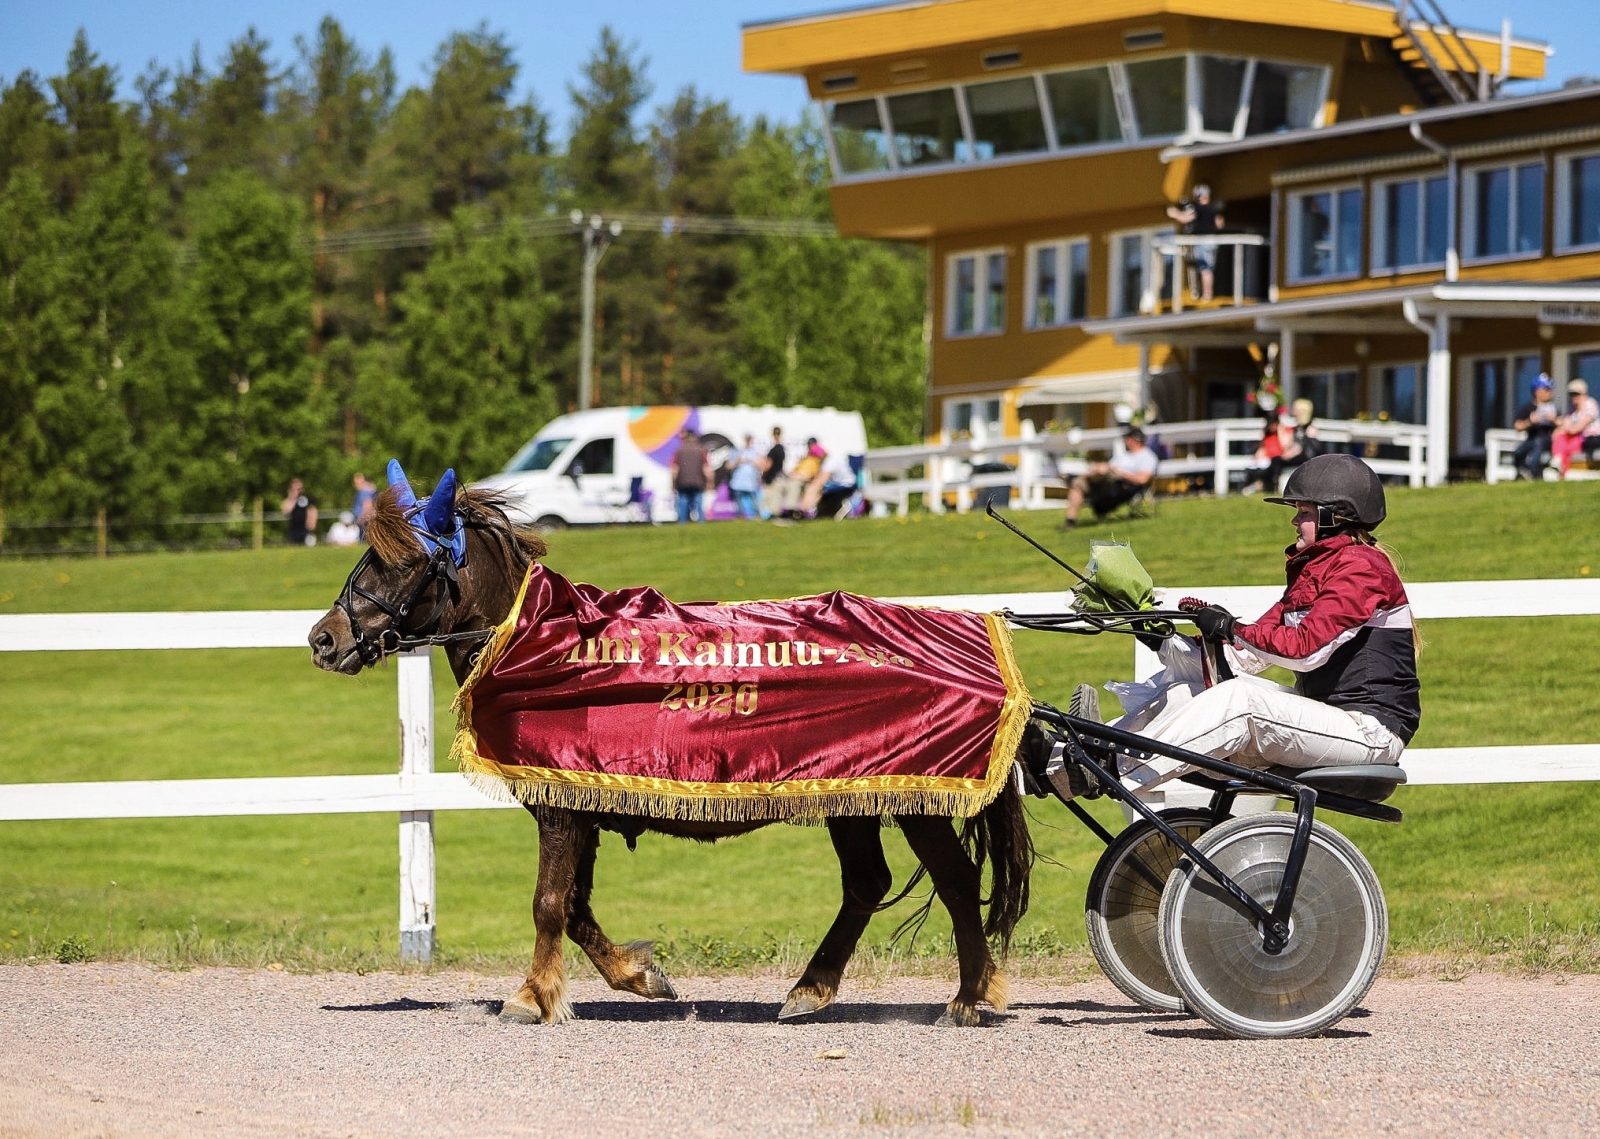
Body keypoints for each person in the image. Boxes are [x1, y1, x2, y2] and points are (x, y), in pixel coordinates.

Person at [1110, 453, 1419, 791]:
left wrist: (1231, 627)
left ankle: (1116, 771)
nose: (1293, 522)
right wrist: (1164, 641)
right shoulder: (1314, 573)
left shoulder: (1362, 568)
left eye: (1303, 513)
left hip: (1370, 731)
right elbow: (1243, 655)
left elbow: (1304, 651)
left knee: (1240, 700)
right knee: (1189, 692)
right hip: (1331, 721)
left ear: (1333, 517)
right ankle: (1081, 756)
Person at [1061, 428, 1158, 529]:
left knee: (1101, 471)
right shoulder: (1124, 455)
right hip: (1105, 484)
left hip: (1122, 485)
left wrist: (1119, 472)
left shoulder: (1148, 457)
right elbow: (1110, 466)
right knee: (1078, 485)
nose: (1126, 441)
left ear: (1135, 440)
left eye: (1128, 439)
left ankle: (1073, 477)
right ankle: (1070, 521)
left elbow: (1142, 479)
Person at [1166, 183, 1225, 303]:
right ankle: (1206, 293)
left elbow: (1186, 218)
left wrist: (1174, 213)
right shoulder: (1212, 208)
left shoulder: (1198, 208)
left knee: (1204, 268)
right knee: (1206, 268)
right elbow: (1220, 223)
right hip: (1212, 241)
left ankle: (1206, 295)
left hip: (1203, 242)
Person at [1511, 374, 1560, 480]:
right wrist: (1530, 421)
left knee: (1536, 454)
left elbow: (1563, 424)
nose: (1550, 392)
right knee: (1518, 452)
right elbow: (1517, 426)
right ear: (1537, 391)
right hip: (1531, 439)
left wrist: (1554, 420)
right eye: (1546, 389)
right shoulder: (1528, 407)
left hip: (1547, 441)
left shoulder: (1553, 408)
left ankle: (1536, 477)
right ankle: (1522, 473)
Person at [1552, 378, 1600, 478]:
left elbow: (1577, 428)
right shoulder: (1573, 408)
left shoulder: (1590, 405)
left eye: (1576, 393)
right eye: (1571, 394)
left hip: (1592, 439)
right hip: (1579, 438)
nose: (1574, 397)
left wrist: (1564, 427)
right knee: (1561, 438)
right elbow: (1565, 426)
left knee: (1566, 439)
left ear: (1584, 393)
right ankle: (1558, 464)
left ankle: (1560, 466)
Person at [669, 428, 712, 523]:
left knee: (683, 503)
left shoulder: (678, 451)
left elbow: (674, 470)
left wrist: (673, 483)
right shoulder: (701, 450)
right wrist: (710, 482)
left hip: (682, 482)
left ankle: (682, 523)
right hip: (698, 482)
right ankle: (701, 522)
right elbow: (707, 469)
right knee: (698, 503)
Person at [726, 433, 765, 520]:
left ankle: (757, 515)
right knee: (738, 500)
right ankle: (740, 515)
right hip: (737, 482)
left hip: (751, 482)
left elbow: (763, 466)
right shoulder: (736, 451)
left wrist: (754, 462)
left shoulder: (756, 452)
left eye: (749, 439)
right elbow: (728, 466)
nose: (748, 442)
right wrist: (738, 461)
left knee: (754, 500)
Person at [759, 427, 788, 520]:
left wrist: (762, 473)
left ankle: (770, 516)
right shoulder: (782, 449)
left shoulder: (774, 450)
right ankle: (772, 515)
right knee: (776, 498)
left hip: (772, 478)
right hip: (779, 476)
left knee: (770, 498)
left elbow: (768, 465)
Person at [281, 478, 318, 546]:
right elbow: (286, 512)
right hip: (293, 530)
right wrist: (293, 498)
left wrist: (312, 522)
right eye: (296, 489)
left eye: (300, 488)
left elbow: (313, 510)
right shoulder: (289, 501)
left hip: (305, 530)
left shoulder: (306, 499)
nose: (299, 491)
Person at [351, 472, 377, 538]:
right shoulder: (365, 491)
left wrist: (361, 518)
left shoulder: (364, 491)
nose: (356, 485)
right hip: (364, 520)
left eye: (358, 483)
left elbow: (367, 505)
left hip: (363, 520)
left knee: (364, 539)